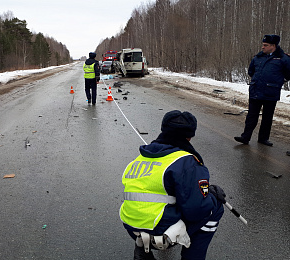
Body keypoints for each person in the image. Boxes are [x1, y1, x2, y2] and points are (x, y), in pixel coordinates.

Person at [120, 110, 225, 260]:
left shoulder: (139, 159)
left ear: (163, 130)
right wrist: (211, 196)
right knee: (215, 208)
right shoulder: (186, 162)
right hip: (158, 231)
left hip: (131, 227)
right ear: (189, 137)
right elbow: (196, 210)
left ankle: (142, 250)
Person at [234, 34, 290, 146]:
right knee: (251, 116)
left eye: (266, 45)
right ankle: (245, 137)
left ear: (273, 46)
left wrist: (278, 82)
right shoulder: (257, 57)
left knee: (267, 117)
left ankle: (263, 139)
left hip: (271, 92)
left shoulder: (283, 58)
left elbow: (288, 74)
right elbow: (251, 72)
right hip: (256, 90)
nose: (262, 47)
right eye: (263, 45)